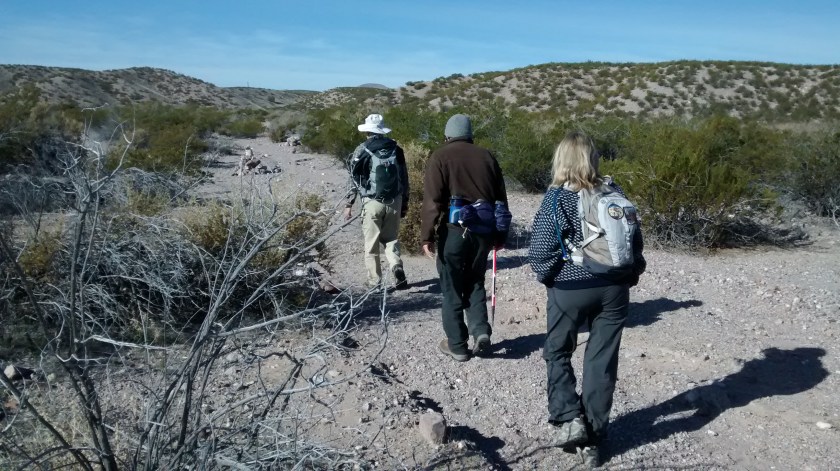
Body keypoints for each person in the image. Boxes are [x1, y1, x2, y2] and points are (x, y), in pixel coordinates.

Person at [528, 131, 646, 469]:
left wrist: (550, 278)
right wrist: (630, 276)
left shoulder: (556, 199)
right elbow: (634, 243)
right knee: (602, 361)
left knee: (558, 350)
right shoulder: (614, 192)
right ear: (593, 159)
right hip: (615, 289)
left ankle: (569, 419)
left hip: (570, 289)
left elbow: (540, 253)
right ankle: (594, 438)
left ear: (562, 160)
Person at [420, 114, 509, 362]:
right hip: (483, 232)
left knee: (451, 288)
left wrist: (426, 235)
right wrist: (501, 233)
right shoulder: (487, 156)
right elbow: (500, 199)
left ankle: (458, 345)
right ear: (470, 135)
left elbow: (433, 201)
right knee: (475, 282)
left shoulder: (440, 156)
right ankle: (480, 331)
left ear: (447, 135)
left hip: (454, 232)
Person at [343, 114, 410, 290]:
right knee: (391, 239)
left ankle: (375, 283)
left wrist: (349, 204)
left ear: (367, 131)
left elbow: (354, 178)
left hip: (372, 202)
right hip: (394, 200)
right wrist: (404, 203)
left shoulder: (362, 150)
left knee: (371, 244)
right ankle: (396, 266)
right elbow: (404, 178)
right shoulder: (396, 148)